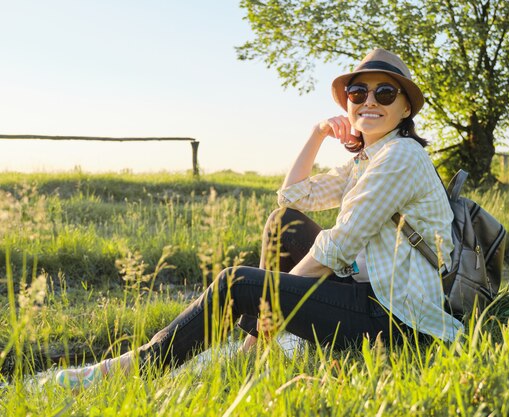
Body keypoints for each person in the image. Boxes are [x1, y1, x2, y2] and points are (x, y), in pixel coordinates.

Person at [56, 48, 463, 390]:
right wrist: (318, 133)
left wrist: (266, 299)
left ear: (405, 106)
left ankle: (140, 366)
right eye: (359, 91)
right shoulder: (367, 161)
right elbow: (292, 197)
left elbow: (337, 247)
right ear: (348, 103)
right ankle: (254, 348)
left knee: (238, 282)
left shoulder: (401, 157)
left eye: (385, 92)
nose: (369, 100)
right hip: (373, 292)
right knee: (284, 221)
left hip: (398, 318)